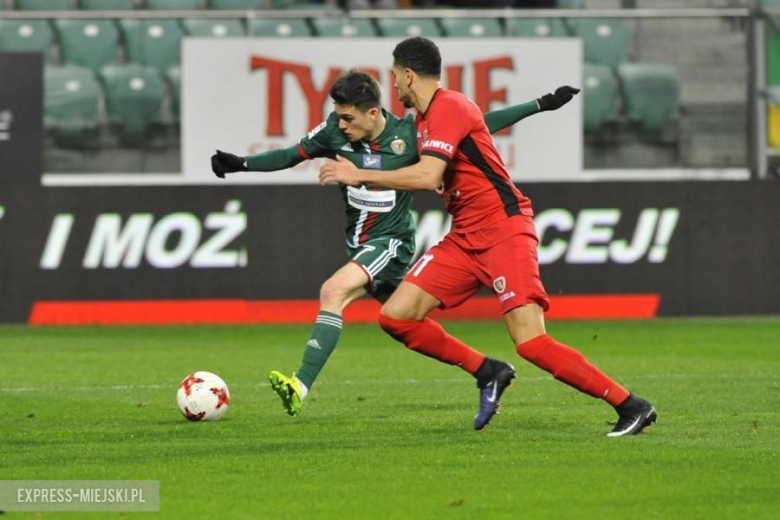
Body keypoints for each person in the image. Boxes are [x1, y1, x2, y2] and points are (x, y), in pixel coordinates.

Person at [319, 38, 657, 436]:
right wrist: (538, 104)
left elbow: (428, 177)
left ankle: (630, 405)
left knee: (530, 342)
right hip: (464, 235)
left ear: (408, 75)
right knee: (396, 316)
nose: (393, 86)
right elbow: (485, 125)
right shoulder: (426, 119)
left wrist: (358, 174)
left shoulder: (451, 106)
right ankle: (488, 371)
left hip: (503, 228)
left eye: (394, 77)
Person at [211, 69, 572, 420]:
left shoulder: (408, 135)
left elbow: (479, 123)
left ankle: (299, 386)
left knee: (332, 291)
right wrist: (242, 163)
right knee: (401, 322)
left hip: (392, 243)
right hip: (360, 245)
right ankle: (487, 370)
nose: (341, 125)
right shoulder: (334, 133)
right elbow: (290, 154)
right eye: (338, 117)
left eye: (348, 118)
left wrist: (538, 104)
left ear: (373, 113)